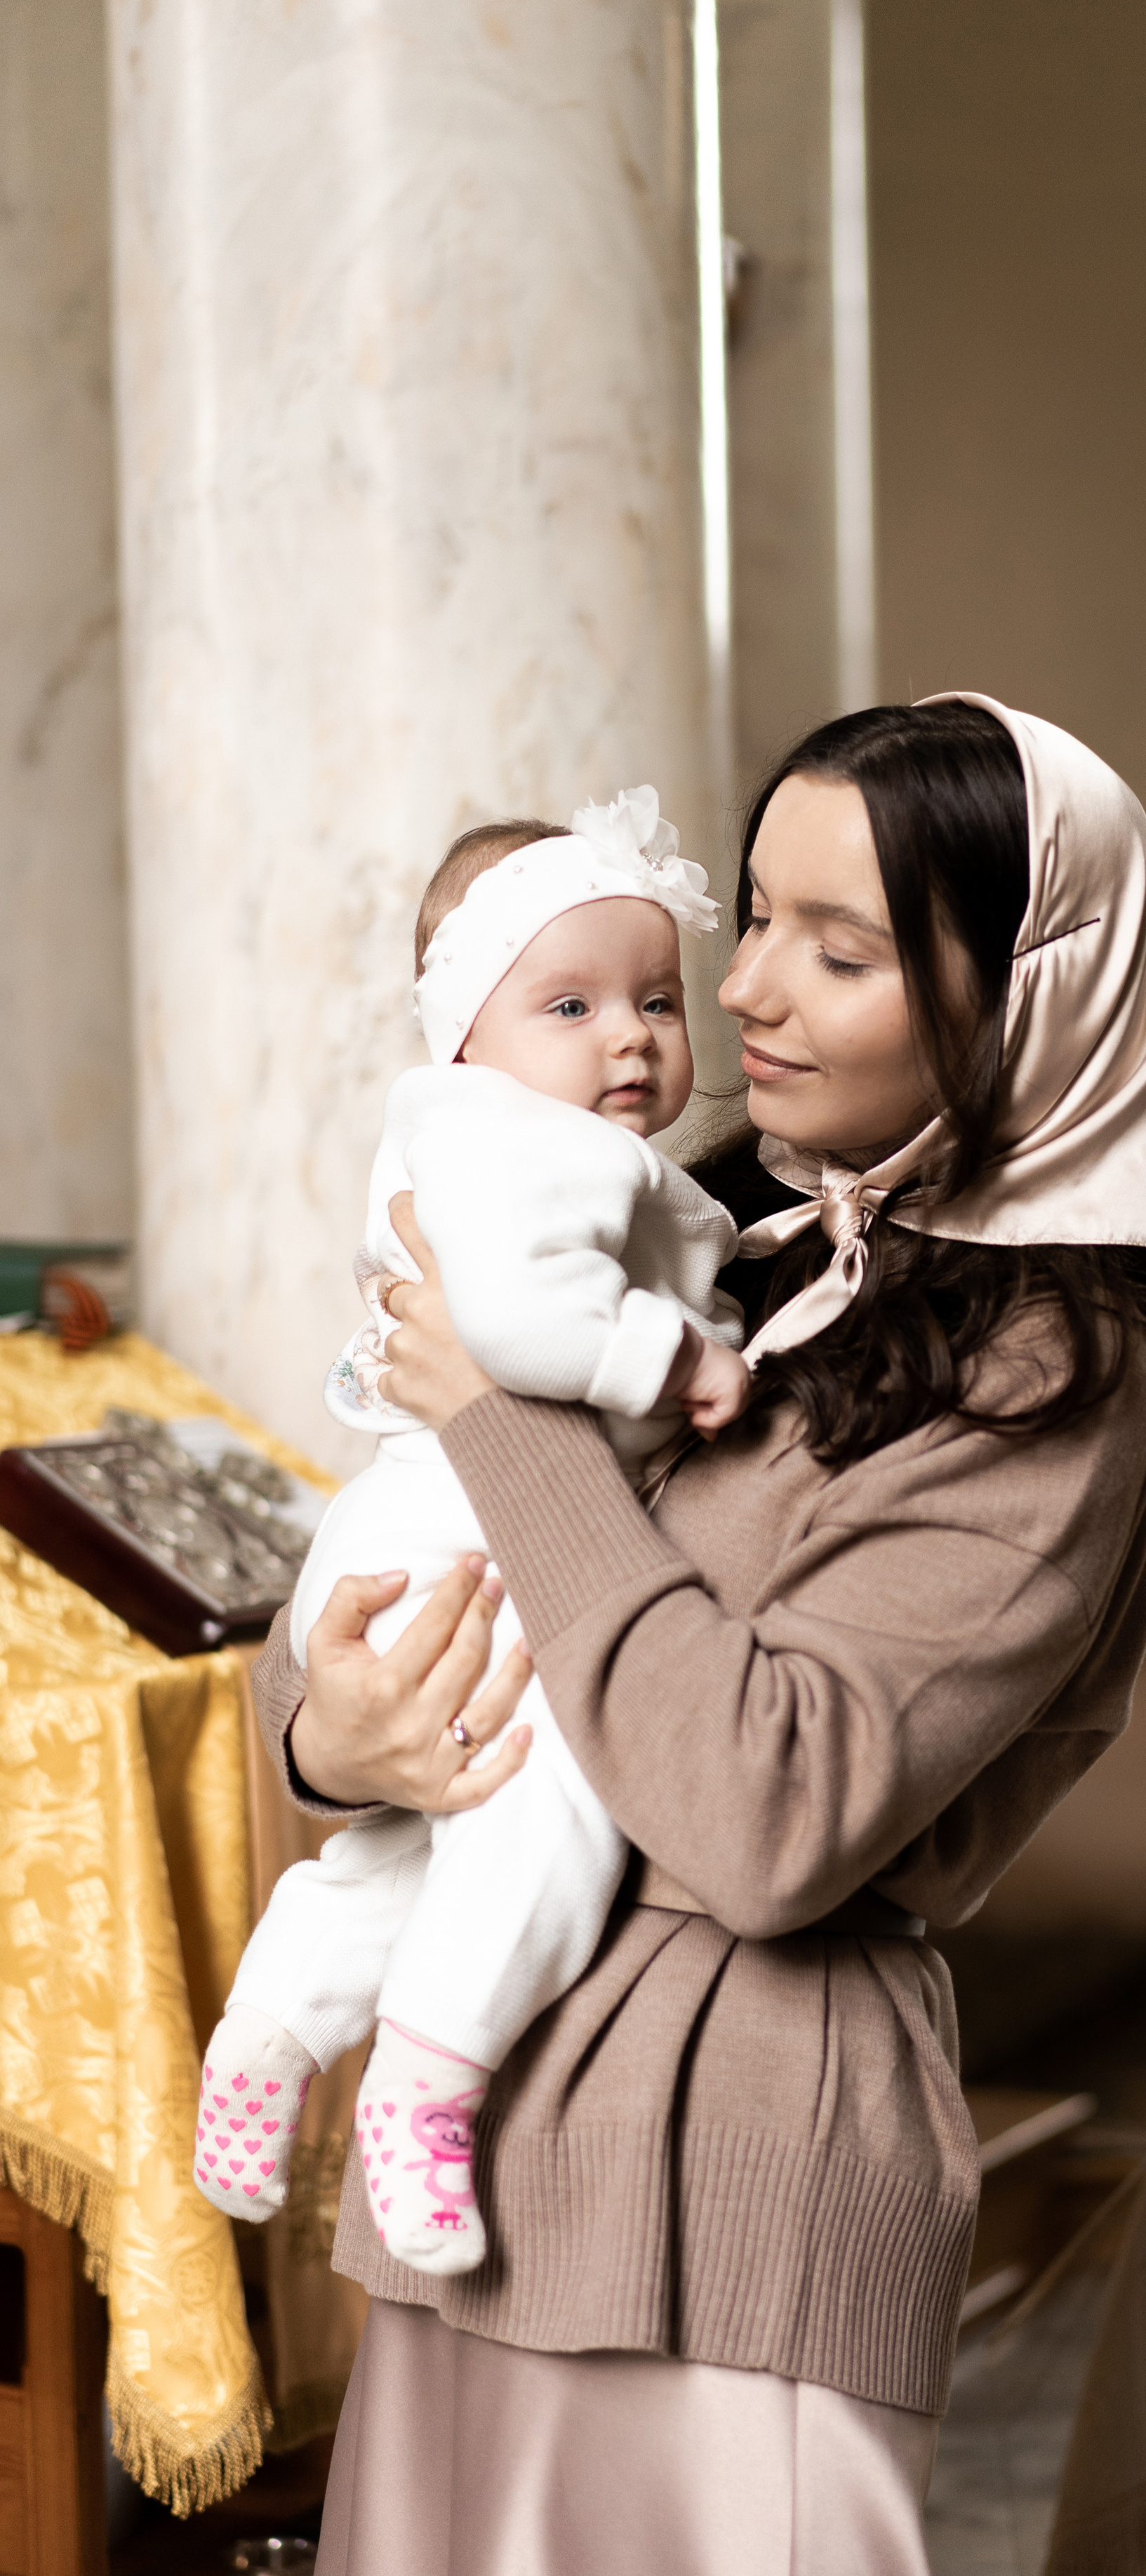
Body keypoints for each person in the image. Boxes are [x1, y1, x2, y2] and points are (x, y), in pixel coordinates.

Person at [253, 695, 1146, 2576]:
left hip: (730, 2170)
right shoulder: (736, 1247)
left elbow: (775, 1813)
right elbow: (413, 1558)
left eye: (841, 953)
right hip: (493, 2156)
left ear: (1025, 1000)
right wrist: (325, 1732)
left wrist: (504, 1427)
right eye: (755, 919)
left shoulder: (1059, 1373)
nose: (749, 997)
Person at [200, 790, 747, 2279]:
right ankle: (426, 2083)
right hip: (473, 1527)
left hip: (400, 1521)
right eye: (567, 1003)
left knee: (405, 1843)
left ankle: (270, 2040)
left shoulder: (469, 1127)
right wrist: (675, 1359)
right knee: (547, 1809)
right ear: (463, 1032)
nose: (628, 1040)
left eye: (653, 999)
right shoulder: (529, 1143)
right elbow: (511, 1318)